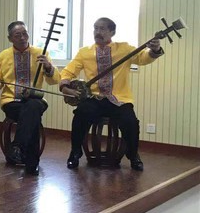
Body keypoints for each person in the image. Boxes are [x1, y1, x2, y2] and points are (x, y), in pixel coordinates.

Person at [60, 17, 163, 171]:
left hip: (119, 99)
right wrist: (65, 86)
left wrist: (154, 49)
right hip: (94, 98)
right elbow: (69, 70)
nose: (98, 32)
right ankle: (75, 153)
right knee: (80, 114)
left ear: (112, 32)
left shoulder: (124, 48)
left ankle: (133, 155)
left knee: (131, 122)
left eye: (102, 29)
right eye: (95, 28)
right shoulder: (84, 52)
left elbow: (143, 58)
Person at [0, 21, 60, 175]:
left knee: (32, 106)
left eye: (25, 34)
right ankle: (31, 163)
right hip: (11, 101)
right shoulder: (3, 56)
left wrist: (48, 67)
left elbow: (54, 80)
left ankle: (17, 146)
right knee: (32, 115)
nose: (22, 38)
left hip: (36, 99)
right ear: (10, 38)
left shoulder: (41, 53)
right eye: (17, 35)